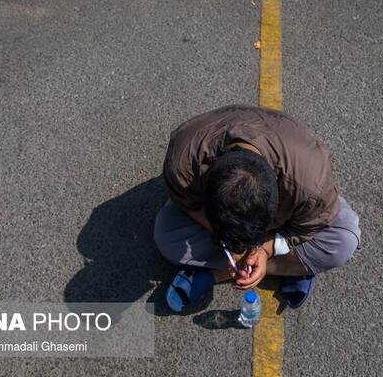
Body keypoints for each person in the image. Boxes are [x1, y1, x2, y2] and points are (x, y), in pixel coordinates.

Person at [154, 105, 361, 311]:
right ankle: (290, 267)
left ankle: (216, 273)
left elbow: (311, 223)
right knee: (165, 234)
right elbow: (188, 204)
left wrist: (263, 249)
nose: (242, 251)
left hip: (305, 192)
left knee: (344, 240)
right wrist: (232, 244)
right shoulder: (181, 165)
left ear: (277, 204)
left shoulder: (311, 183)